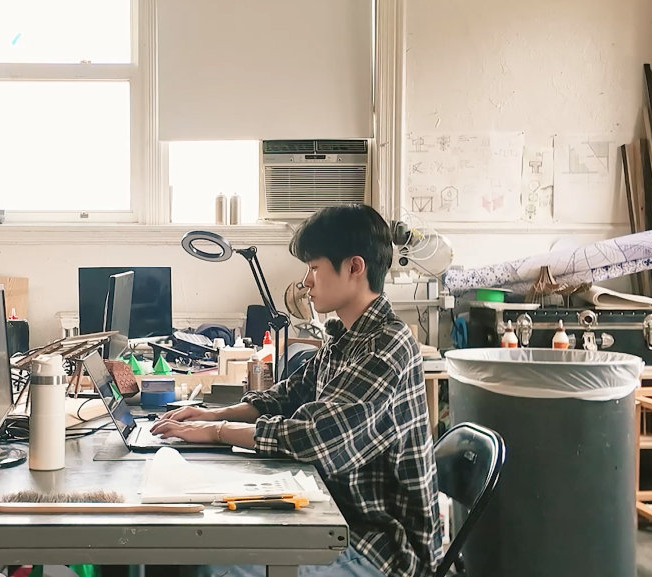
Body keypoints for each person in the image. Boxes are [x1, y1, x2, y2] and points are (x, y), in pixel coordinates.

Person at [151, 204, 441, 577]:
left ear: (355, 267)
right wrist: (211, 415)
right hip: (334, 518)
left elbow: (316, 437)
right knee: (202, 543)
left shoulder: (387, 345)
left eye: (314, 268)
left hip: (379, 544)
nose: (306, 282)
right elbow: (284, 397)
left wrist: (217, 433)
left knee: (214, 565)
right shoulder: (346, 338)